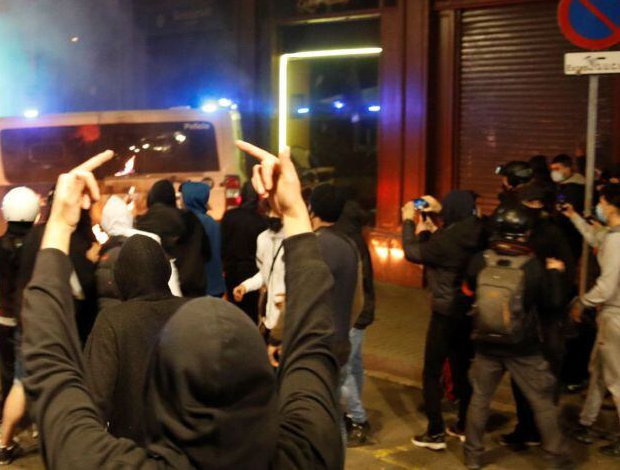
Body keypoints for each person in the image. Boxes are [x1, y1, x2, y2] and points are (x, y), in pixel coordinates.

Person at [21, 142, 343, 468]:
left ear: (163, 384)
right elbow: (313, 343)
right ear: (262, 378)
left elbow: (51, 366)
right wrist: (295, 215)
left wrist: (60, 223)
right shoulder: (308, 452)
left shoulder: (110, 462)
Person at [462, 203, 571, 470]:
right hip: (524, 347)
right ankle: (554, 459)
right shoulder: (533, 267)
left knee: (480, 399)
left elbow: (466, 292)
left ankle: (473, 456)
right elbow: (553, 304)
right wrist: (556, 273)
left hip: (486, 342)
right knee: (542, 402)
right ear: (525, 232)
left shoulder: (480, 260)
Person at [567, 183, 620, 457]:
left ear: (610, 206)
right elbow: (595, 238)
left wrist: (582, 303)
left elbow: (607, 285)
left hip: (615, 314)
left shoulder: (616, 241)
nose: (599, 206)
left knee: (616, 377)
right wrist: (574, 217)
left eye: (601, 201)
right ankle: (586, 422)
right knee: (599, 370)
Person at [84, 235, 186, 444]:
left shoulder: (113, 321)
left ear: (121, 277)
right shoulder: (191, 311)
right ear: (165, 271)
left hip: (133, 448)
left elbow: (95, 397)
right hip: (186, 444)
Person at [402, 190, 484, 450]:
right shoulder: (478, 231)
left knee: (432, 372)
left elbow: (413, 252)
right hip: (469, 310)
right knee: (463, 369)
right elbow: (436, 248)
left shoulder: (446, 240)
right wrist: (433, 224)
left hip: (445, 312)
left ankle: (435, 431)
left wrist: (408, 222)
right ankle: (463, 425)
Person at [503, 183, 575, 449]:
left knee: (542, 381)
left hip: (544, 321)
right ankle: (529, 430)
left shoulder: (549, 234)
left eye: (535, 204)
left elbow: (566, 276)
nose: (532, 209)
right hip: (529, 319)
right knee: (525, 378)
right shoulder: (522, 233)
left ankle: (540, 433)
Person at [0, 186, 39, 465]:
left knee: (8, 374)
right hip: (29, 316)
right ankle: (33, 420)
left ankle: (10, 421)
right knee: (29, 372)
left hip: (3, 317)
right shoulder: (38, 243)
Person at [335, 199, 376, 447]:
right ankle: (354, 414)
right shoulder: (358, 240)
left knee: (346, 369)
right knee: (356, 366)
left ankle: (359, 419)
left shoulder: (347, 243)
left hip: (352, 313)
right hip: (364, 312)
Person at [307, 184, 359, 366]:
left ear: (311, 209)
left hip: (317, 344)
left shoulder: (316, 245)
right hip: (340, 341)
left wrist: (278, 336)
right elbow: (358, 300)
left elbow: (305, 297)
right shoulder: (349, 243)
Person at [136, 179, 208, 296]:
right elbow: (206, 252)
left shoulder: (141, 223)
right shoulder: (190, 219)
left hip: (159, 292)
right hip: (192, 289)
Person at [233, 215, 287, 344]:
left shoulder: (296, 239)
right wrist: (245, 286)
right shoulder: (263, 238)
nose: (273, 214)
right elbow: (265, 274)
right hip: (268, 313)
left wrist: (291, 298)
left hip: (287, 318)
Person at [221, 182, 268, 322]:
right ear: (257, 198)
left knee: (234, 313)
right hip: (252, 271)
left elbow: (223, 245)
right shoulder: (261, 221)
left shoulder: (229, 216)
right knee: (251, 312)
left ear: (241, 196)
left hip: (231, 270)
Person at [180, 181, 226, 298]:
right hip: (215, 285)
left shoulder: (186, 222)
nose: (180, 201)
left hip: (196, 287)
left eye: (182, 197)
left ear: (189, 199)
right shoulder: (213, 223)